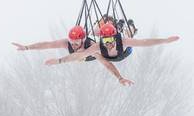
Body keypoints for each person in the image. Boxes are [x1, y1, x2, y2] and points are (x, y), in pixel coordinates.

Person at [12, 25, 134, 86]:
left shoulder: (92, 47)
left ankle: (124, 29)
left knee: (105, 33)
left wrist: (120, 78)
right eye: (72, 42)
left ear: (83, 40)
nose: (74, 45)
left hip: (118, 52)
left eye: (76, 43)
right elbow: (47, 44)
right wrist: (27, 47)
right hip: (84, 55)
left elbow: (107, 64)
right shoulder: (67, 43)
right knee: (97, 29)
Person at [44, 23, 179, 76]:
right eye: (105, 40)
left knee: (130, 35)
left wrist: (165, 41)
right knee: (95, 30)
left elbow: (144, 43)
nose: (107, 43)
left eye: (110, 40)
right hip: (109, 57)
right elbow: (79, 55)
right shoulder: (98, 46)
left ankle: (128, 27)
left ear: (115, 38)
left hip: (123, 54)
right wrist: (59, 61)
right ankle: (109, 23)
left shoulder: (123, 41)